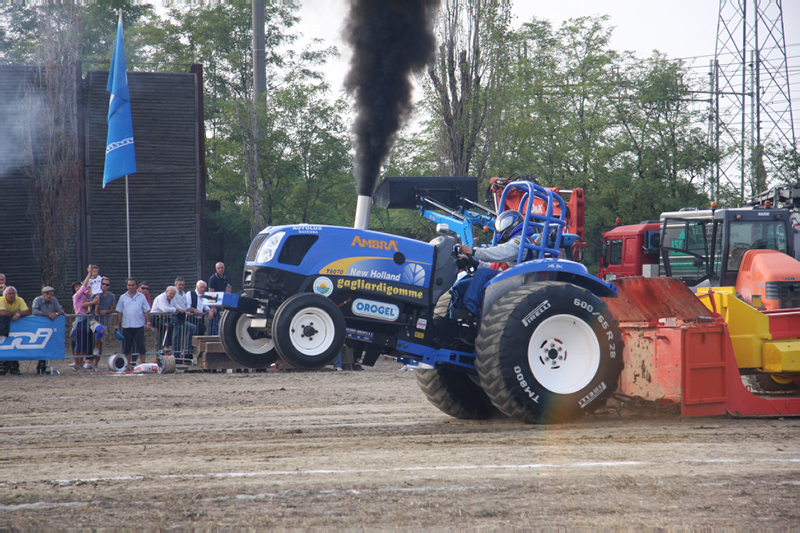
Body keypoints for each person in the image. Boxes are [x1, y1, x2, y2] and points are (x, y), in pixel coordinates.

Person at [452, 210, 533, 321]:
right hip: (507, 277)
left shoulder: (522, 241)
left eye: (504, 223)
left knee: (482, 274)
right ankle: (452, 322)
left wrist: (475, 252)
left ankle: (470, 311)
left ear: (514, 223)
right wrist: (475, 262)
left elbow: (501, 252)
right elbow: (493, 267)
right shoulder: (512, 243)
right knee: (460, 286)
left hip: (517, 280)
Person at [114, 277, 151, 366]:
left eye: (133, 285)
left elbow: (146, 310)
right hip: (127, 326)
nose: (131, 287)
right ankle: (128, 365)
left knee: (141, 346)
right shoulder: (123, 297)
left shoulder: (142, 297)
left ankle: (143, 365)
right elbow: (119, 311)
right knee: (127, 347)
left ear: (136, 286)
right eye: (129, 285)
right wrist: (117, 325)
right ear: (127, 286)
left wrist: (148, 322)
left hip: (139, 325)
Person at [31, 286, 65, 374]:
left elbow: (61, 310)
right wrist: (48, 315)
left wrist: (55, 314)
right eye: (47, 294)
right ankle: (40, 365)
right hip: (39, 327)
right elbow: (35, 311)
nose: (49, 296)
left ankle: (45, 365)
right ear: (43, 294)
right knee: (41, 345)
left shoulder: (54, 300)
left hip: (51, 328)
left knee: (48, 346)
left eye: (51, 294)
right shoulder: (37, 300)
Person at [0, 286, 31, 375]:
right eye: (9, 294)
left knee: (14, 346)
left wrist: (18, 314)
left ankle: (14, 367)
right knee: (3, 347)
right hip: (2, 326)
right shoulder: (1, 300)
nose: (11, 295)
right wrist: (16, 313)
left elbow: (27, 311)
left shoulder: (19, 300)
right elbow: (2, 312)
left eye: (13, 293)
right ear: (5, 294)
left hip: (15, 328)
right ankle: (3, 367)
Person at [72, 266, 99, 370]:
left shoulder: (85, 295)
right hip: (80, 319)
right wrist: (89, 274)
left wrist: (96, 278)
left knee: (84, 343)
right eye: (76, 287)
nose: (79, 288)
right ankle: (77, 363)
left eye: (79, 286)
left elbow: (90, 288)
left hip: (86, 320)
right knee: (78, 343)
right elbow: (85, 286)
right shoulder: (76, 296)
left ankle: (81, 362)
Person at [90, 276, 116, 366]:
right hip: (93, 320)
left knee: (101, 343)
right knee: (99, 332)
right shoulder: (95, 293)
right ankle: (89, 359)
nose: (104, 286)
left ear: (109, 286)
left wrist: (106, 311)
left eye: (107, 284)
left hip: (104, 320)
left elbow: (112, 309)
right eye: (103, 283)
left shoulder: (111, 296)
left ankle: (95, 364)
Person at [172, 277, 197, 355]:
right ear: (175, 285)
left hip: (182, 317)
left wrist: (194, 310)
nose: (181, 286)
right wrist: (185, 312)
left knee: (179, 336)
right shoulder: (174, 293)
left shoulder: (183, 294)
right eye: (179, 285)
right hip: (176, 317)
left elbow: (186, 306)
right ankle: (181, 352)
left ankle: (184, 351)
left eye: (183, 285)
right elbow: (174, 306)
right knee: (177, 337)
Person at [207, 262, 227, 335]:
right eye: (219, 268)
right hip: (215, 304)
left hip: (221, 303)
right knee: (213, 324)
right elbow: (211, 293)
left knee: (218, 324)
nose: (220, 269)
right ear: (216, 269)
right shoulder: (213, 279)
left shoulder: (225, 278)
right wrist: (213, 306)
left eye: (222, 268)